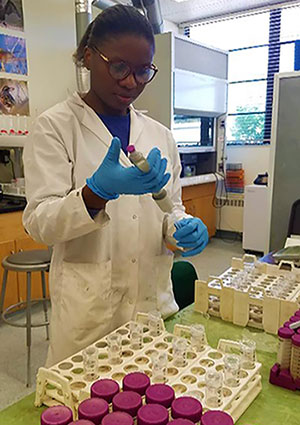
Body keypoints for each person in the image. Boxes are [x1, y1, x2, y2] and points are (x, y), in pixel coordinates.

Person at [23, 5, 208, 367]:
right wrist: (95, 194)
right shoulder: (55, 127)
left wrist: (179, 229)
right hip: (89, 320)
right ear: (89, 58)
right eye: (119, 67)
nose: (131, 82)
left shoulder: (160, 136)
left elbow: (169, 208)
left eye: (142, 71)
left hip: (153, 312)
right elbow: (39, 224)